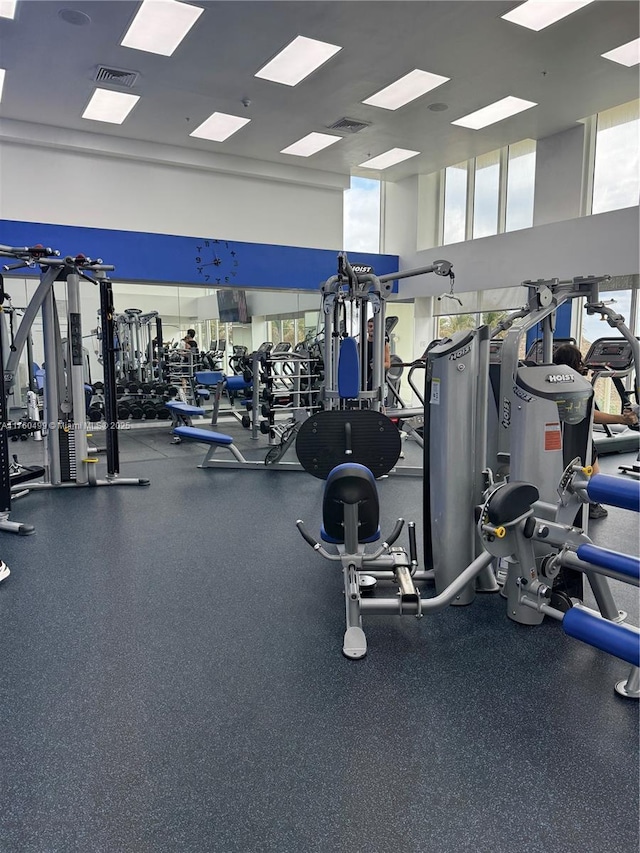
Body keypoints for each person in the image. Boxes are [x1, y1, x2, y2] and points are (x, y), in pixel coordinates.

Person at [553, 343, 638, 519]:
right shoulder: (578, 386)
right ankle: (593, 501)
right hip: (573, 435)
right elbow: (591, 415)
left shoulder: (550, 381)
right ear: (576, 364)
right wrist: (621, 419)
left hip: (555, 433)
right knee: (589, 449)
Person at [366, 318, 391, 392]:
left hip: (378, 381)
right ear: (367, 328)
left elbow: (388, 364)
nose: (372, 329)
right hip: (364, 381)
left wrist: (378, 365)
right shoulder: (362, 345)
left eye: (374, 327)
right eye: (370, 326)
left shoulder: (383, 344)